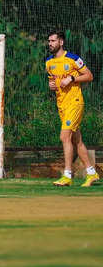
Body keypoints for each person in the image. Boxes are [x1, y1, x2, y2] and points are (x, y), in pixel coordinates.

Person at [45, 31, 99, 187]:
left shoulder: (73, 59)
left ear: (61, 42)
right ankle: (91, 173)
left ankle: (67, 175)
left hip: (75, 103)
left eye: (53, 41)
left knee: (64, 137)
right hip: (61, 105)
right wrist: (52, 86)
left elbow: (89, 76)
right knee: (77, 140)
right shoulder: (48, 62)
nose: (50, 43)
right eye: (49, 41)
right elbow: (53, 83)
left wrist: (72, 78)